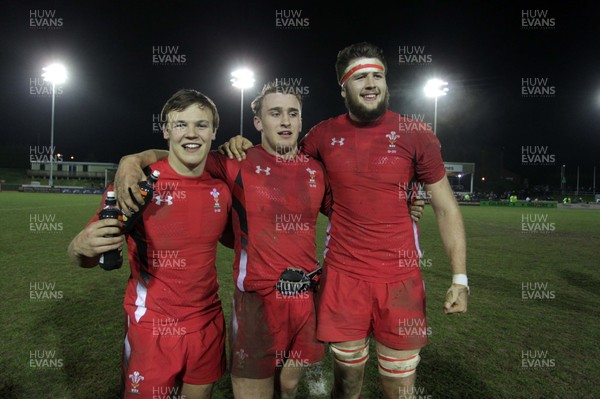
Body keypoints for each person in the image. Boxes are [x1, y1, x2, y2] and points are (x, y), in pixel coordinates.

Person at [220, 42, 469, 399]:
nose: (370, 83)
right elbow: (283, 166)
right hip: (342, 278)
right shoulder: (321, 136)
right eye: (360, 77)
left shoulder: (417, 133)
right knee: (347, 383)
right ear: (344, 88)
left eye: (377, 75)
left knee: (400, 387)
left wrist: (459, 278)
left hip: (400, 279)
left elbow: (445, 207)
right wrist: (241, 144)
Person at [68, 89, 231, 399]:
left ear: (213, 132)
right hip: (152, 326)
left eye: (201, 124)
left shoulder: (220, 189)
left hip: (208, 323)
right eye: (180, 124)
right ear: (166, 131)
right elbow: (87, 256)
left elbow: (236, 241)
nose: (192, 133)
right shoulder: (137, 185)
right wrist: (78, 248)